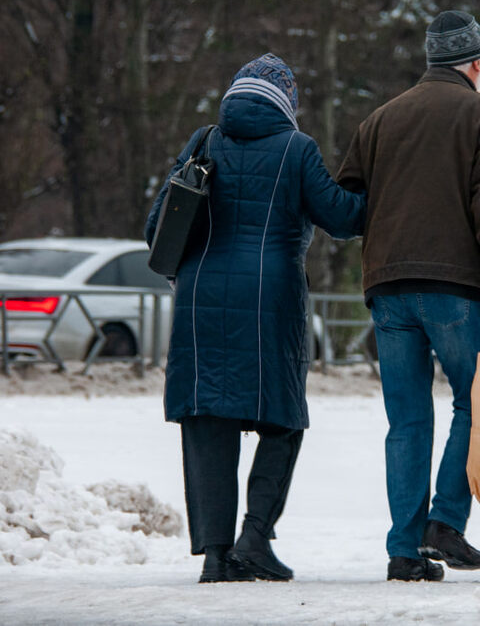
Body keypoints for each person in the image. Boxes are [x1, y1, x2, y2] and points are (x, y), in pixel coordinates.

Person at [145, 53, 365, 583]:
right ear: (286, 100)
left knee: (207, 421)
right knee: (283, 419)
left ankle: (217, 556)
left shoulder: (204, 141)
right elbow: (340, 216)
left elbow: (158, 227)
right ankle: (255, 538)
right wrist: (381, 189)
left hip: (199, 298)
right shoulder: (297, 149)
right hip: (271, 296)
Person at [338, 10, 480, 582]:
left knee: (407, 421)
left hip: (388, 290)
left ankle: (403, 550)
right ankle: (445, 522)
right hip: (454, 289)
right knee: (478, 403)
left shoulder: (380, 120)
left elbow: (347, 206)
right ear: (475, 62)